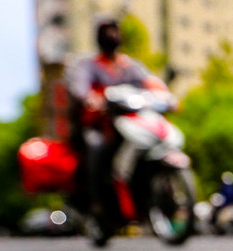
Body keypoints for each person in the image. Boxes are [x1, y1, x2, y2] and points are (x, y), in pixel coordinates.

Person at [67, 17, 169, 217]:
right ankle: (96, 203)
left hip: (131, 121)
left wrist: (164, 94)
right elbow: (80, 87)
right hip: (101, 125)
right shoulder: (88, 65)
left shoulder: (130, 66)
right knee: (96, 147)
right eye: (107, 31)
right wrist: (90, 98)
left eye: (115, 31)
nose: (112, 35)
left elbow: (149, 82)